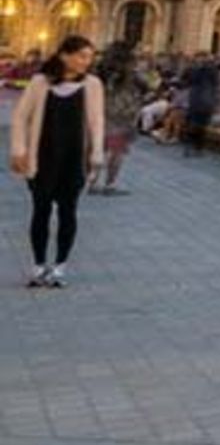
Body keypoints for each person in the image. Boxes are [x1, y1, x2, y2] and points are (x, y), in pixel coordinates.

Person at [10, 36, 106, 287]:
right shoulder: (40, 82)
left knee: (68, 212)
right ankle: (38, 265)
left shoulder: (93, 84)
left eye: (90, 57)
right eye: (82, 56)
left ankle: (60, 266)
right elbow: (20, 118)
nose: (87, 61)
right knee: (40, 211)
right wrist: (18, 150)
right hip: (42, 158)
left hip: (73, 159)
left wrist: (96, 153)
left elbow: (97, 122)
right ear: (65, 55)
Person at [92, 34, 145, 195]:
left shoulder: (101, 68)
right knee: (117, 151)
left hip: (101, 111)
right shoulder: (130, 71)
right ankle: (110, 184)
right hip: (122, 115)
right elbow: (145, 86)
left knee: (99, 148)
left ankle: (92, 181)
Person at [182, 55, 220, 156]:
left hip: (196, 100)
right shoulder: (212, 71)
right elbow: (216, 86)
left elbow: (186, 81)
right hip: (205, 101)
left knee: (194, 124)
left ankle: (190, 146)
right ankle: (197, 148)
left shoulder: (194, 70)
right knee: (201, 125)